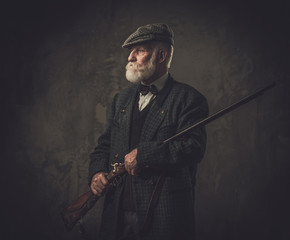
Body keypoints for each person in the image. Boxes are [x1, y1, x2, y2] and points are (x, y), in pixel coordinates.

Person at [88, 23, 208, 240]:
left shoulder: (189, 99)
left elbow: (193, 148)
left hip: (164, 216)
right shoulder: (121, 99)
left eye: (139, 51)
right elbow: (104, 145)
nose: (130, 57)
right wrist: (97, 173)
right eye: (131, 52)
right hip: (118, 212)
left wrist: (144, 155)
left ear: (161, 56)